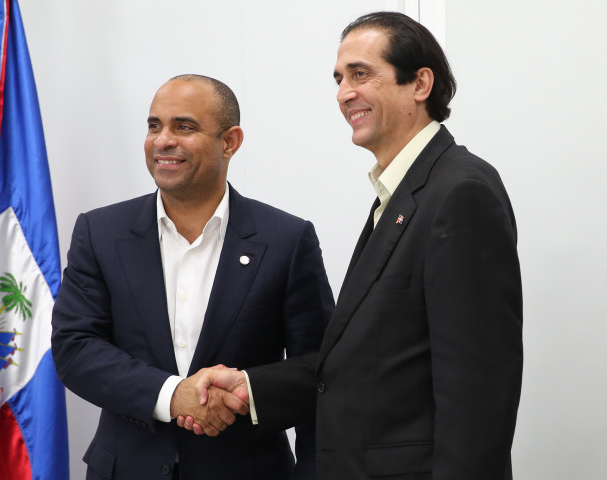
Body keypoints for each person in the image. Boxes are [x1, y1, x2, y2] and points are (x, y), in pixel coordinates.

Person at [188, 12, 523, 480]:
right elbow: (367, 363)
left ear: (420, 83)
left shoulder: (460, 192)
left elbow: (478, 395)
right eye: (339, 79)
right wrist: (251, 387)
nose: (344, 93)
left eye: (361, 74)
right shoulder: (402, 192)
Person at [51, 74, 334, 480]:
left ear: (230, 141)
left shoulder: (286, 240)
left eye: (184, 127)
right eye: (154, 126)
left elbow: (319, 371)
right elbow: (75, 347)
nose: (163, 140)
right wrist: (172, 395)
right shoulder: (100, 232)